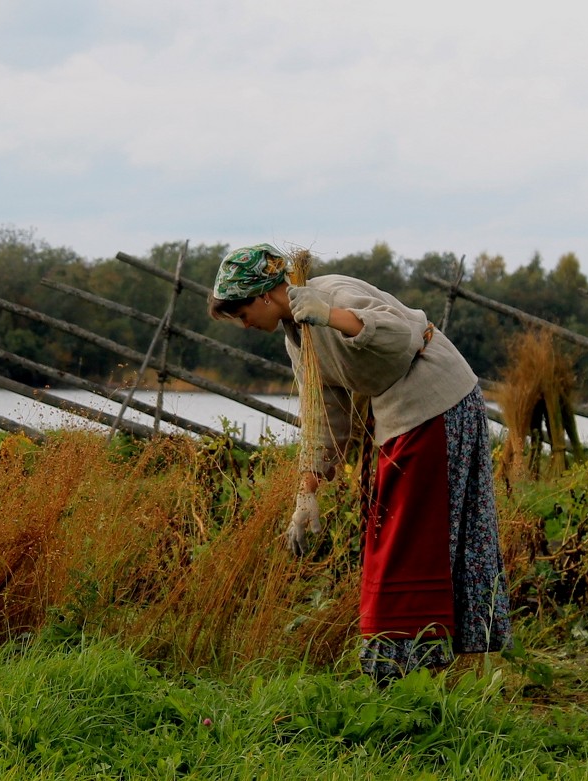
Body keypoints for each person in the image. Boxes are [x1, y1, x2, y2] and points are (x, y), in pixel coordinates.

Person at [208, 243, 512, 682]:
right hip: (399, 413)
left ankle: (402, 665)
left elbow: (402, 335)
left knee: (405, 534)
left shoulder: (332, 294)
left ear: (263, 296)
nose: (244, 325)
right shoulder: (297, 337)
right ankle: (407, 666)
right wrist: (306, 493)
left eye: (241, 314)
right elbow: (323, 412)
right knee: (392, 529)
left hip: (436, 401)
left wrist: (328, 314)